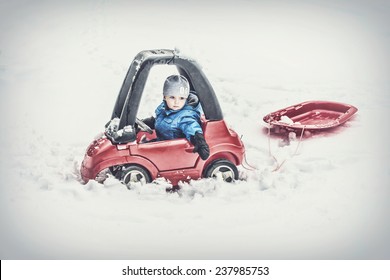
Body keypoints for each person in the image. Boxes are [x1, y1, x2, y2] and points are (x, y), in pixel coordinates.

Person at [139, 75, 210, 160]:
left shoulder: (185, 115)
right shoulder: (164, 108)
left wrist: (200, 142)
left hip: (174, 153)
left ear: (186, 98)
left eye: (181, 98)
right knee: (140, 148)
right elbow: (159, 120)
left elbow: (191, 127)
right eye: (172, 97)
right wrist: (143, 123)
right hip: (162, 143)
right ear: (165, 97)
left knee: (140, 154)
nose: (177, 102)